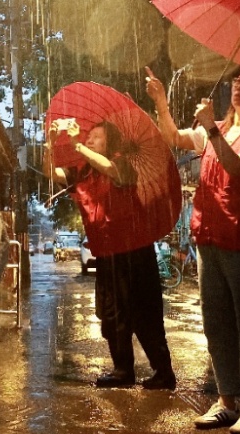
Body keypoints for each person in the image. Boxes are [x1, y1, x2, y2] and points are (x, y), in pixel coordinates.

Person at [145, 63, 240, 434]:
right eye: (237, 81)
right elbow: (173, 137)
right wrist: (161, 100)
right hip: (209, 239)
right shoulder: (220, 130)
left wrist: (209, 126)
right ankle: (227, 401)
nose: (239, 86)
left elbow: (237, 167)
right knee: (217, 325)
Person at [42, 118, 176, 390]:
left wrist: (79, 145)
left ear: (110, 143)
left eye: (96, 137)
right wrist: (50, 143)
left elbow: (114, 172)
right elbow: (51, 173)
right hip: (107, 252)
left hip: (133, 249)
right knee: (111, 312)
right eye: (88, 136)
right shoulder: (83, 172)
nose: (89, 139)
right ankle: (122, 370)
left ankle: (163, 372)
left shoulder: (122, 163)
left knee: (144, 313)